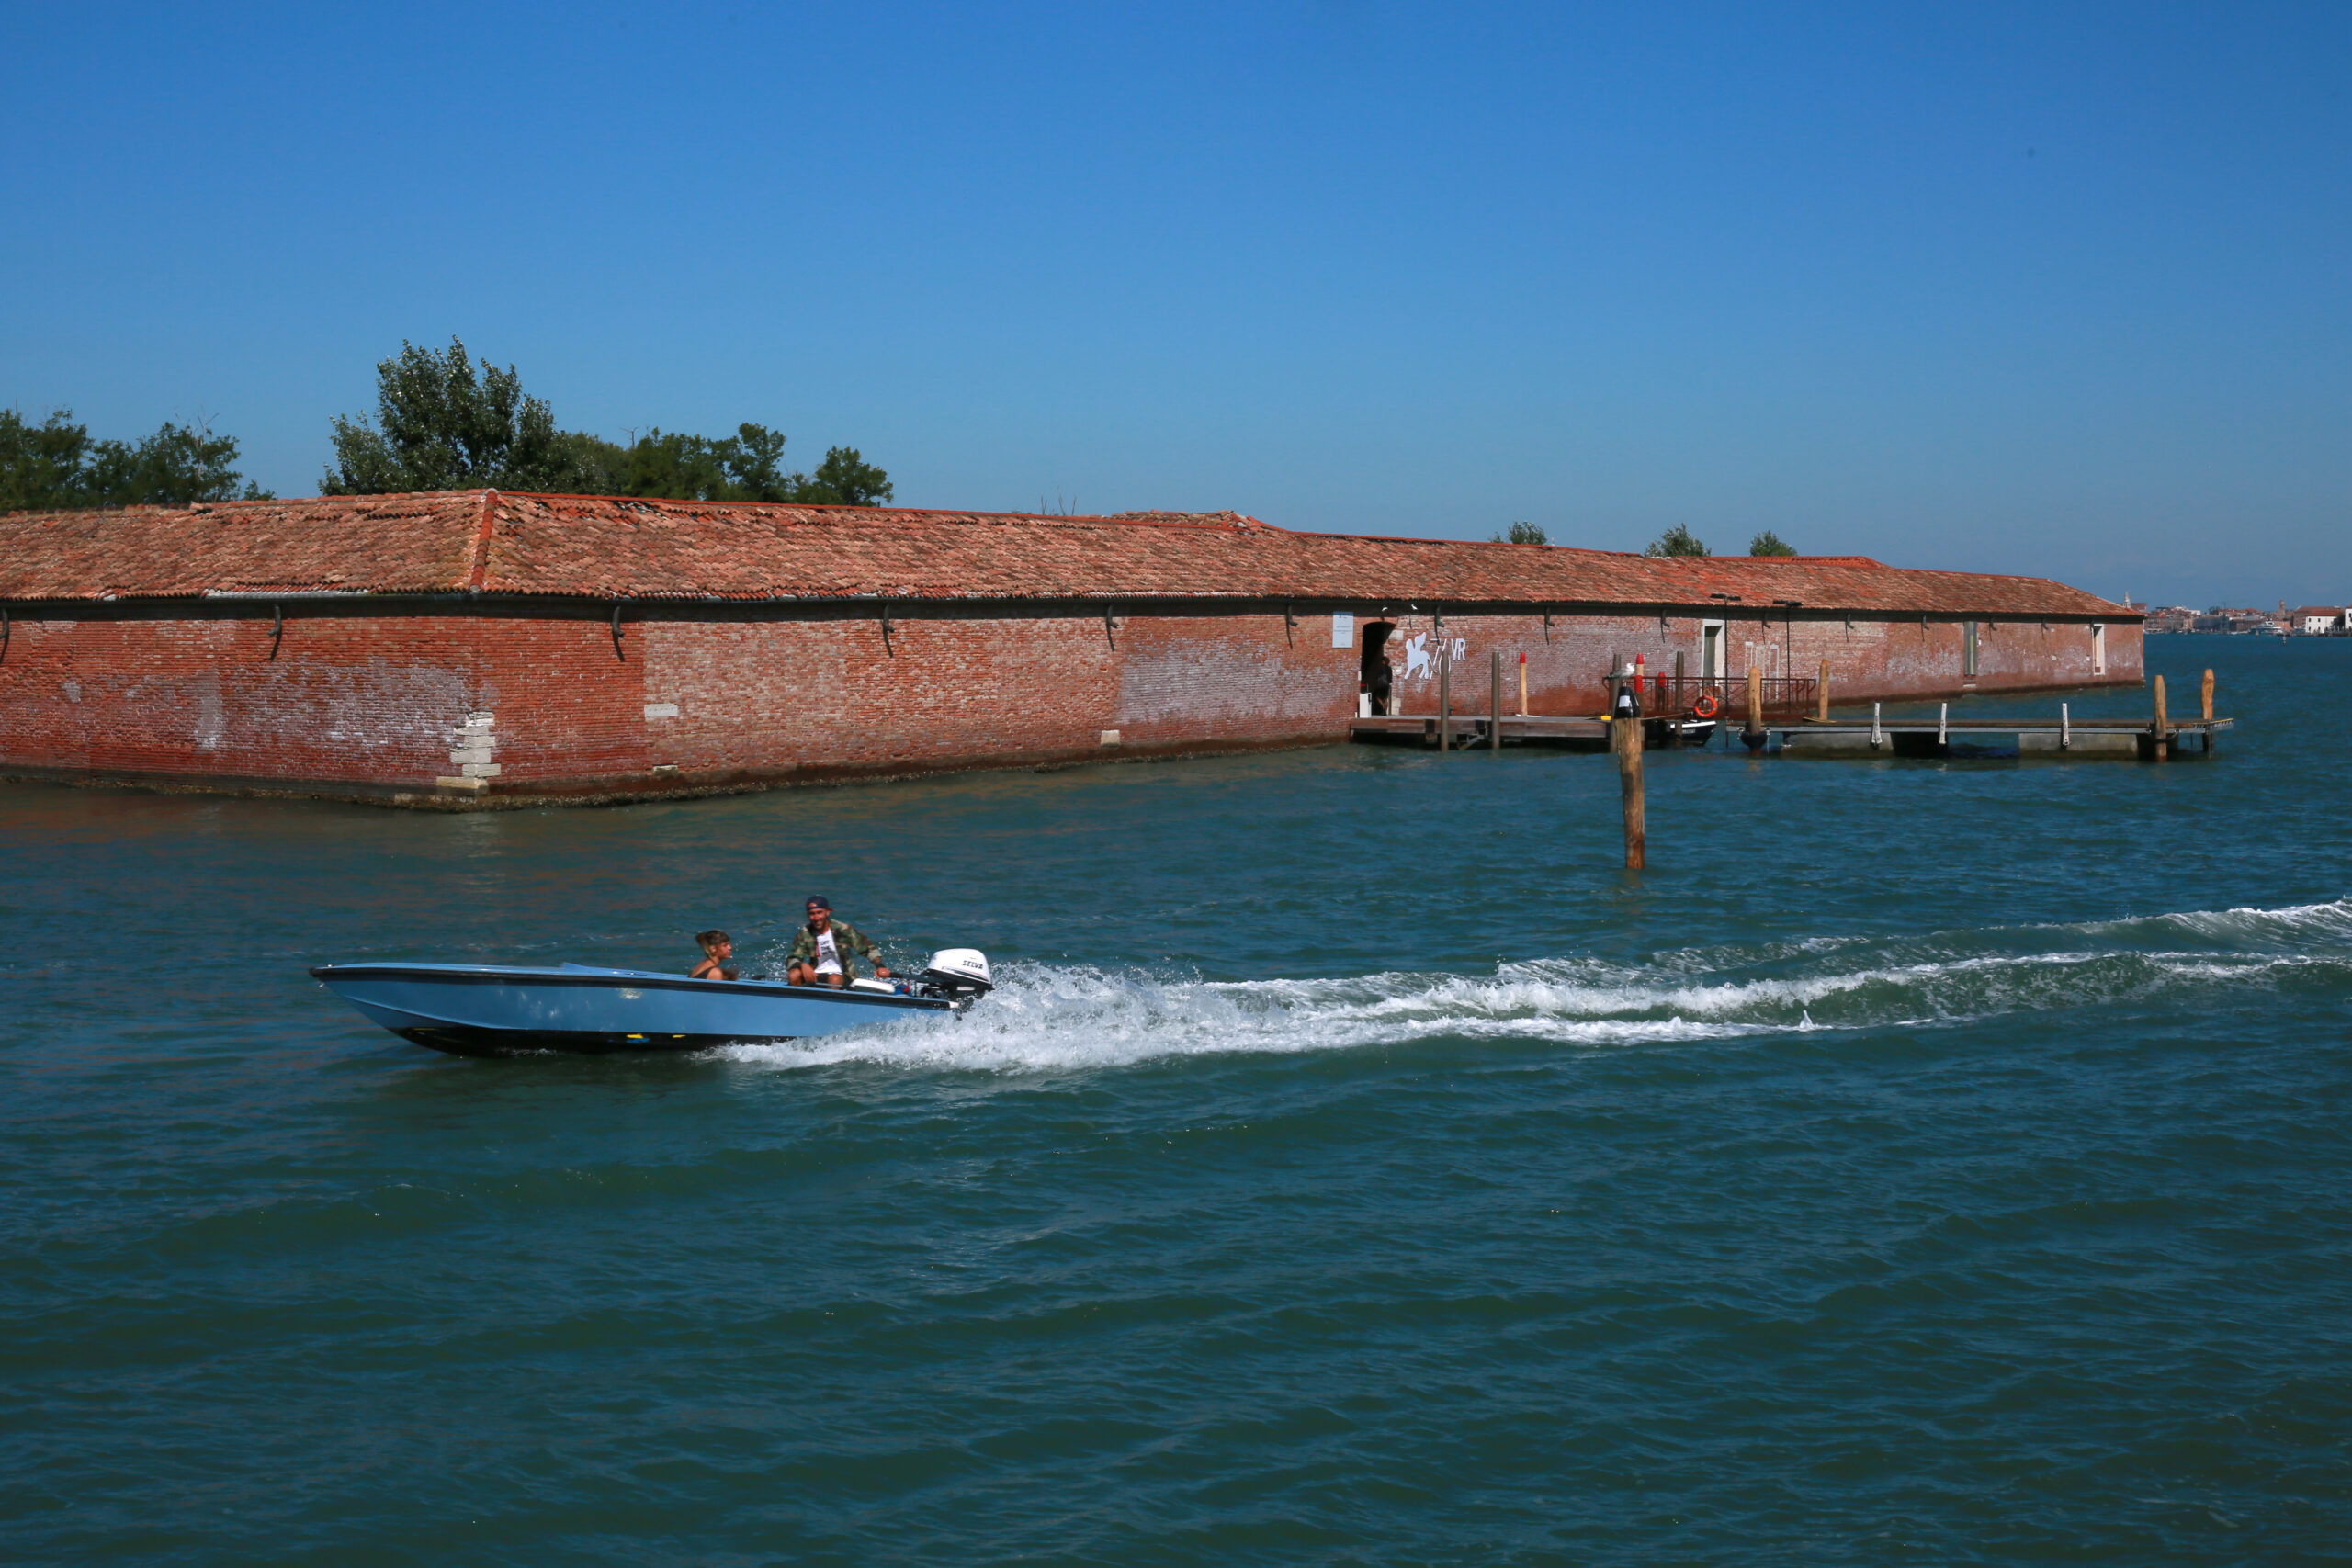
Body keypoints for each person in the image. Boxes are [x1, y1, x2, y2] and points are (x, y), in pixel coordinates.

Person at [786, 897, 891, 987]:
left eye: (819, 912)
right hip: (816, 975)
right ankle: (800, 1004)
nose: (816, 918)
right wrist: (802, 965)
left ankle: (831, 1008)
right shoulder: (804, 934)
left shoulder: (844, 930)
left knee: (834, 979)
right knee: (793, 974)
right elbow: (792, 958)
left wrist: (880, 966)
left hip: (843, 977)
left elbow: (868, 949)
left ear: (827, 912)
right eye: (812, 914)